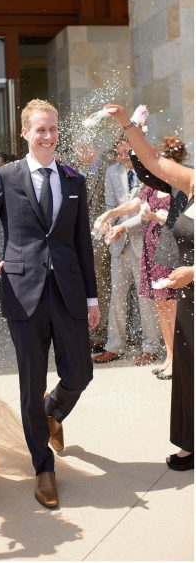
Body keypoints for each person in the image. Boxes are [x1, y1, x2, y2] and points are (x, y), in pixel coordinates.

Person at [0, 98, 100, 509]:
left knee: (81, 373)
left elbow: (81, 243)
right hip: (23, 293)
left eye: (53, 129)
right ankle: (43, 468)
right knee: (31, 382)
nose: (47, 136)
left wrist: (92, 297)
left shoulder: (74, 179)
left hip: (70, 291)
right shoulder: (5, 176)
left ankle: (50, 414)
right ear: (24, 133)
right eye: (40, 129)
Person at [105, 104, 193, 471]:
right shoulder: (190, 182)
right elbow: (153, 160)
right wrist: (127, 123)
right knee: (189, 369)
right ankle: (191, 442)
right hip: (190, 295)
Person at [97, 136, 188, 379]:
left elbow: (184, 219)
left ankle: (179, 358)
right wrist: (112, 213)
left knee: (173, 304)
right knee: (160, 303)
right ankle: (170, 356)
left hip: (171, 248)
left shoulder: (182, 183)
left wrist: (156, 217)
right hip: (152, 250)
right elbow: (135, 204)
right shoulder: (153, 183)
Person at [93, 138, 160, 365]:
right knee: (117, 296)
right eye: (119, 153)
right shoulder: (112, 171)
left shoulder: (149, 171)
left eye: (126, 153)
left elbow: (145, 210)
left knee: (145, 298)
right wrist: (108, 226)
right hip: (119, 245)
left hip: (144, 243)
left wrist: (122, 227)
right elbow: (111, 205)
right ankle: (114, 345)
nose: (122, 158)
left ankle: (150, 347)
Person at [73, 141, 114, 352]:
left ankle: (101, 333)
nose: (76, 154)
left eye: (78, 149)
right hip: (83, 237)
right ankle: (90, 330)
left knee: (100, 284)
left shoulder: (107, 167)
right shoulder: (82, 171)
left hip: (101, 238)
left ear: (89, 147)